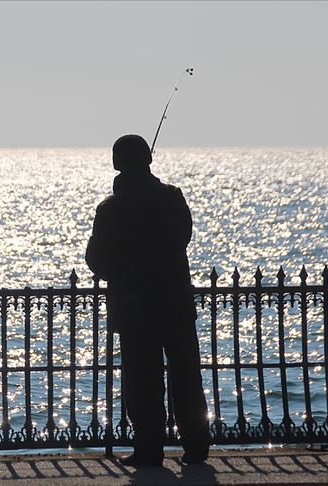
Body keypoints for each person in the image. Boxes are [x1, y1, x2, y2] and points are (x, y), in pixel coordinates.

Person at [85, 134, 210, 467]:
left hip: (134, 306)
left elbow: (95, 259)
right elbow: (183, 237)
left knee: (143, 382)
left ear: (117, 163)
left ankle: (149, 450)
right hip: (175, 304)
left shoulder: (111, 209)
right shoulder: (172, 198)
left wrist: (122, 270)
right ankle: (196, 447)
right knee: (186, 377)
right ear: (149, 160)